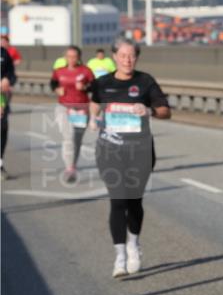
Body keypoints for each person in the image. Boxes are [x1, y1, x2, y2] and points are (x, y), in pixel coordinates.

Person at [89, 37, 171, 277]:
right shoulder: (102, 83)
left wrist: (150, 110)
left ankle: (134, 244)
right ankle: (120, 256)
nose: (127, 60)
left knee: (134, 201)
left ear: (136, 57)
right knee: (117, 200)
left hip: (140, 151)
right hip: (110, 150)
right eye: (123, 55)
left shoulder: (145, 82)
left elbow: (166, 111)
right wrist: (94, 118)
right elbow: (94, 103)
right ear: (114, 56)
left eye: (132, 56)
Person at [50, 46, 95, 183]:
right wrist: (57, 89)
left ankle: (73, 165)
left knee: (77, 140)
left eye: (74, 56)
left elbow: (95, 86)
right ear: (65, 57)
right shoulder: (59, 71)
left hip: (82, 109)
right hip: (64, 107)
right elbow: (53, 84)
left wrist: (85, 88)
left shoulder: (86, 71)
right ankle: (69, 168)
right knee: (68, 136)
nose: (71, 59)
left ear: (79, 57)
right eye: (69, 56)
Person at [1, 44, 16, 180]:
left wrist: (8, 79)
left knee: (2, 128)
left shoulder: (3, 53)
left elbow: (11, 74)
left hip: (0, 96)